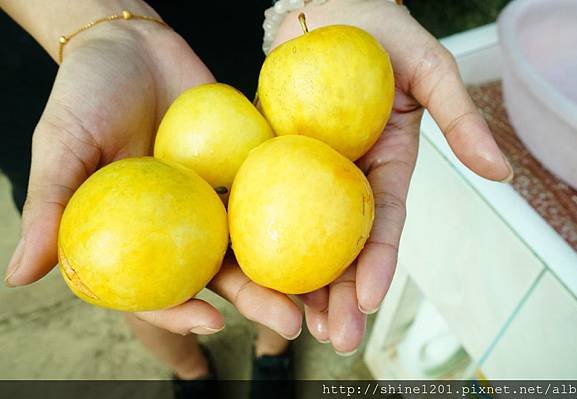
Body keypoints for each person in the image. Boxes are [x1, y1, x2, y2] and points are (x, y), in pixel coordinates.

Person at [1, 0, 512, 392]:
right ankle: (190, 371)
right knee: (137, 286)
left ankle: (272, 351)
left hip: (255, 28)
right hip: (91, 69)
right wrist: (92, 20)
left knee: (277, 286)